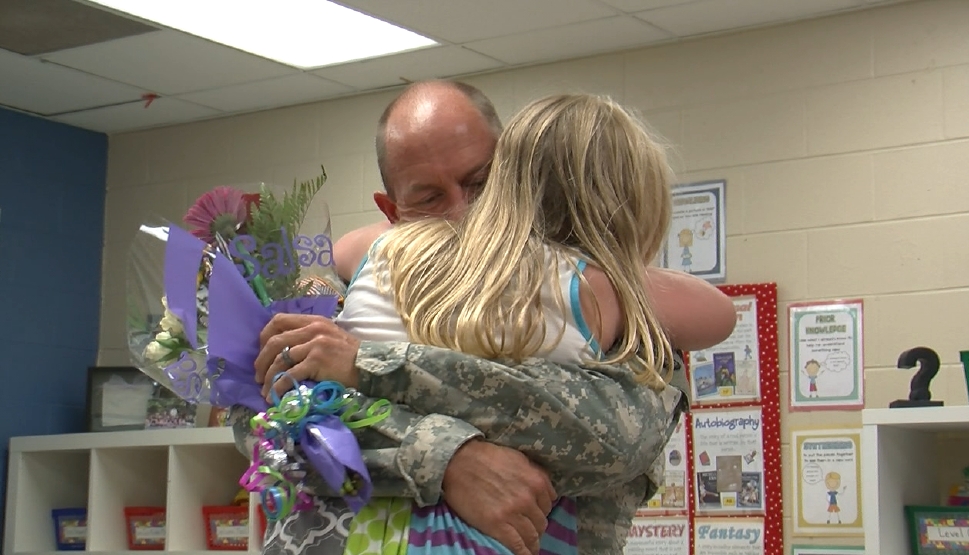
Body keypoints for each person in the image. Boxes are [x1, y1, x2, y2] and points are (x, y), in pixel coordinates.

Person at [230, 81, 736, 555]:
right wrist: (444, 457)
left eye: (480, 183)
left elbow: (612, 438)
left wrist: (367, 367)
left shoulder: (600, 303)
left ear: (517, 177)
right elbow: (266, 420)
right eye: (429, 198)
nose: (462, 213)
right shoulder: (380, 262)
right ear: (393, 210)